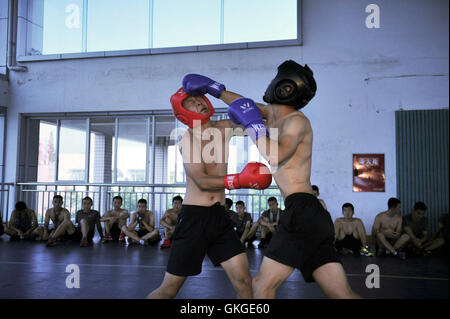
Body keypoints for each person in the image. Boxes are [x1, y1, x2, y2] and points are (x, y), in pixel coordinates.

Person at [182, 60, 360, 298]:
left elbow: (275, 154)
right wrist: (215, 89)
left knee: (262, 287)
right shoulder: (276, 116)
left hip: (301, 212)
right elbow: (246, 106)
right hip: (310, 214)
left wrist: (254, 125)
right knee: (342, 294)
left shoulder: (296, 121)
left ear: (284, 87)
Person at [147, 87, 272, 299]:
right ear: (183, 112)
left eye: (200, 98)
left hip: (219, 217)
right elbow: (202, 180)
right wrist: (240, 180)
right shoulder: (187, 139)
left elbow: (259, 114)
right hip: (195, 218)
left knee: (243, 281)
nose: (200, 103)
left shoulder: (223, 127)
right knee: (168, 290)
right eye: (192, 103)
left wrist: (217, 89)